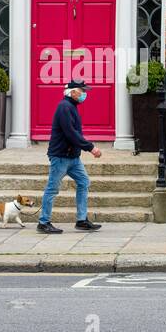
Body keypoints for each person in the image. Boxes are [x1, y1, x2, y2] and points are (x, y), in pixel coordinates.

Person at [37, 79, 103, 235]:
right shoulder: (64, 107)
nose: (84, 95)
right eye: (82, 91)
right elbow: (71, 133)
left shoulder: (71, 107)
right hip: (60, 157)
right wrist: (91, 147)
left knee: (84, 182)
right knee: (52, 189)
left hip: (72, 158)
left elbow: (74, 133)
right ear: (72, 92)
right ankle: (43, 222)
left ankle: (81, 220)